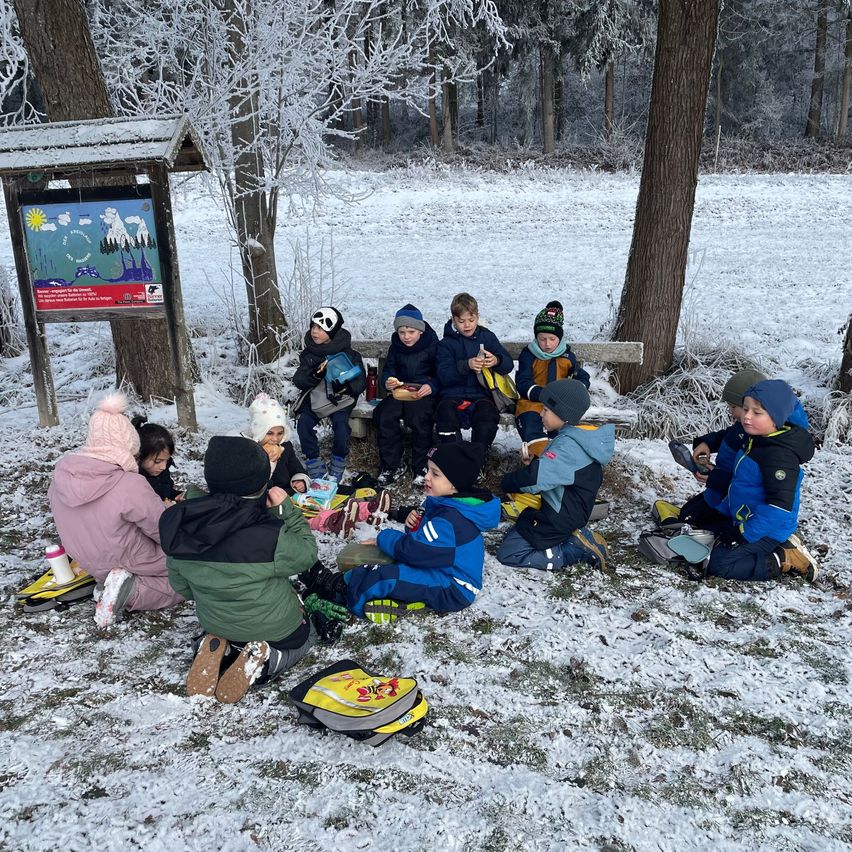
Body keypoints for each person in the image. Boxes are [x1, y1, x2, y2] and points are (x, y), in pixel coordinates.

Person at [160, 436, 323, 703]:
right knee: (307, 634)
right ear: (262, 484)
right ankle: (268, 660)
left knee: (226, 624)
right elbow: (307, 554)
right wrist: (287, 511)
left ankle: (216, 646)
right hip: (274, 626)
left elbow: (182, 587)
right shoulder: (269, 533)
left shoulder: (183, 523)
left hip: (215, 620)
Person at [304, 442, 500, 624]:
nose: (427, 477)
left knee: (385, 576)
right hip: (439, 568)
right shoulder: (445, 503)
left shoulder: (451, 519)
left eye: (436, 474)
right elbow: (426, 543)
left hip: (453, 588)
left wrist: (384, 537)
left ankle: (346, 599)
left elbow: (412, 551)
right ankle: (339, 583)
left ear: (455, 484)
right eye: (428, 470)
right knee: (385, 564)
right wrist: (413, 525)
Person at [47, 394, 184, 627]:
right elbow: (165, 532)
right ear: (130, 446)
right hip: (129, 557)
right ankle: (130, 592)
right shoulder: (128, 484)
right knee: (191, 578)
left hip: (89, 561)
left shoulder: (59, 479)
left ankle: (113, 583)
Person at [706, 379, 818, 582]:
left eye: (757, 413)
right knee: (705, 533)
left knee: (719, 564)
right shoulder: (757, 439)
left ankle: (783, 557)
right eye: (745, 409)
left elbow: (779, 508)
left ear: (776, 418)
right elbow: (746, 482)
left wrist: (744, 534)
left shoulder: (779, 457)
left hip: (768, 529)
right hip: (745, 517)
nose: (746, 417)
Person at [496, 379, 613, 572]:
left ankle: (573, 551)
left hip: (559, 518)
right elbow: (558, 473)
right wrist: (533, 465)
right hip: (563, 509)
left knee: (509, 552)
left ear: (563, 413)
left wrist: (507, 482)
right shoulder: (576, 438)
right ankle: (571, 537)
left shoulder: (568, 446)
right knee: (519, 529)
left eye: (546, 410)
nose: (540, 413)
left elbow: (535, 480)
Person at [293, 306, 365, 484]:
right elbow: (299, 380)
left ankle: (338, 460)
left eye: (320, 328)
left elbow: (360, 382)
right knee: (303, 424)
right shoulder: (309, 354)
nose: (314, 332)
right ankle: (313, 461)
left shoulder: (349, 354)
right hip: (316, 399)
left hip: (340, 401)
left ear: (332, 331)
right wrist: (314, 375)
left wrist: (346, 385)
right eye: (313, 327)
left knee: (341, 425)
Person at [435, 292, 513, 454]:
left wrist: (496, 361)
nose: (467, 325)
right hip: (451, 395)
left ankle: (477, 459)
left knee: (487, 419)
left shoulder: (487, 337)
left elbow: (508, 364)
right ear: (453, 320)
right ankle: (453, 457)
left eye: (471, 320)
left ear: (478, 316)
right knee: (445, 417)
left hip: (482, 395)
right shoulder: (446, 344)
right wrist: (466, 365)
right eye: (461, 321)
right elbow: (444, 375)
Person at [514, 301, 590, 460]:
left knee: (561, 430)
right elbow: (522, 382)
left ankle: (558, 459)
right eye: (542, 339)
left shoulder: (567, 357)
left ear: (560, 338)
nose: (547, 344)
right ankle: (538, 460)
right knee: (531, 424)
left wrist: (576, 392)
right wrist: (542, 394)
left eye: (552, 339)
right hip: (532, 403)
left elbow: (581, 377)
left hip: (557, 406)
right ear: (536, 337)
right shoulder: (529, 355)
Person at [374, 304, 440, 486]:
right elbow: (389, 369)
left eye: (411, 331)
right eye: (402, 332)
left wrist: (432, 385)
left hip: (422, 393)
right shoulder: (396, 347)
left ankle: (421, 467)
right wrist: (388, 381)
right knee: (384, 415)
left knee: (420, 418)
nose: (406, 336)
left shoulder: (433, 345)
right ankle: (390, 465)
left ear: (420, 330)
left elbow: (442, 373)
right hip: (400, 392)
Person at [246, 393, 311, 495]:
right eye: (269, 433)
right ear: (258, 431)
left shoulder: (285, 446)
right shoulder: (250, 450)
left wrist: (300, 480)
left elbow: (296, 467)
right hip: (265, 499)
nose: (275, 439)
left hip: (288, 493)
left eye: (280, 433)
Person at [132, 415, 184, 503]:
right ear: (139, 456)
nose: (163, 467)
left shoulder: (162, 471)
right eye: (158, 461)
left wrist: (177, 496)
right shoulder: (132, 481)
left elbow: (166, 492)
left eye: (167, 460)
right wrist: (161, 506)